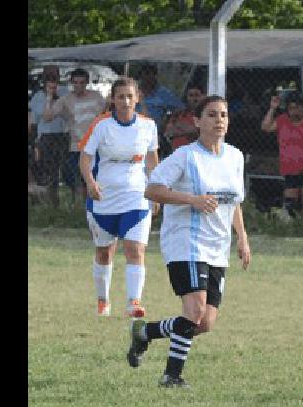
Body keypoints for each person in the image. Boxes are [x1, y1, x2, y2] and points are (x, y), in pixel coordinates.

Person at [127, 95, 251, 388]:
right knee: (194, 311)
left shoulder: (235, 157)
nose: (219, 120)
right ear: (197, 122)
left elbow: (234, 203)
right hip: (186, 242)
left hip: (218, 246)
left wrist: (242, 237)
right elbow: (152, 189)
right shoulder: (185, 156)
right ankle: (172, 376)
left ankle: (145, 333)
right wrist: (190, 200)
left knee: (204, 322)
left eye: (223, 114)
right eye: (211, 115)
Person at [78, 77, 160, 319]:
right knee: (104, 252)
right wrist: (91, 183)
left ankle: (133, 302)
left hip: (136, 196)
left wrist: (155, 191)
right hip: (104, 198)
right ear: (113, 100)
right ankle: (103, 301)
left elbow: (152, 159)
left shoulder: (148, 126)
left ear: (138, 98)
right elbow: (84, 158)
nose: (125, 101)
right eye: (120, 96)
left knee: (135, 249)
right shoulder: (101, 125)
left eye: (130, 96)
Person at [48, 68, 107, 207]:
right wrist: (49, 96)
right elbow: (47, 116)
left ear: (87, 82)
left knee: (95, 176)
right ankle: (79, 203)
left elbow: (106, 114)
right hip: (77, 145)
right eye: (75, 83)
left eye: (81, 82)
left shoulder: (97, 96)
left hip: (97, 145)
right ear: (71, 83)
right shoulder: (66, 99)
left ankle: (95, 204)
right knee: (71, 176)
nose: (78, 86)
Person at [262, 91, 303, 219]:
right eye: (291, 108)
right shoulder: (282, 120)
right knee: (291, 199)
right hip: (290, 166)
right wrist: (273, 108)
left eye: (297, 107)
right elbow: (266, 127)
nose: (294, 111)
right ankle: (294, 225)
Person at [30, 68, 70, 206]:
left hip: (63, 134)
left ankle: (71, 202)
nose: (52, 79)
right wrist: (49, 96)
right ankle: (52, 202)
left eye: (54, 76)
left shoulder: (65, 92)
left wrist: (57, 96)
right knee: (48, 171)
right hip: (46, 136)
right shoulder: (38, 97)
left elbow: (67, 111)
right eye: (48, 77)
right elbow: (40, 118)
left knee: (65, 170)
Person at [135, 64, 185, 157]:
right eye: (146, 74)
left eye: (151, 74)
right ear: (141, 76)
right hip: (133, 131)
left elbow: (180, 108)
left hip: (155, 133)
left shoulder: (163, 93)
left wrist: (169, 120)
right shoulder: (133, 92)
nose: (148, 78)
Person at [164, 84, 205, 150]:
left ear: (203, 97)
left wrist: (179, 127)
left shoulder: (207, 115)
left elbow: (200, 133)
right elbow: (168, 132)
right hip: (177, 155)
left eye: (197, 95)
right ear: (187, 98)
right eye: (191, 95)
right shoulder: (178, 114)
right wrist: (190, 130)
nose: (194, 99)